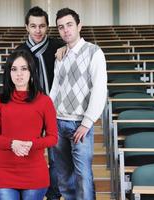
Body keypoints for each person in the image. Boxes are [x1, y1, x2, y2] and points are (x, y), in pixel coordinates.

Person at [49, 8, 107, 200]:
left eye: (69, 25)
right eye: (61, 27)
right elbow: (55, 89)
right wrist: (48, 118)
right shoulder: (61, 55)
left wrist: (87, 123)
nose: (65, 30)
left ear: (79, 25)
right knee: (63, 177)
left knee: (83, 176)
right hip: (58, 122)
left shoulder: (94, 52)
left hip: (79, 124)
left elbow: (99, 90)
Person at [0, 49, 58, 200]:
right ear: (8, 72)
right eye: (14, 69)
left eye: (24, 68)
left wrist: (31, 144)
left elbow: (53, 138)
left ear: (32, 72)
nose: (18, 74)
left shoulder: (44, 101)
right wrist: (12, 143)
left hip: (34, 173)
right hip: (5, 172)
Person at [15, 6, 64, 200]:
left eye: (42, 26)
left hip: (54, 109)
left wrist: (65, 49)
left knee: (56, 159)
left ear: (48, 27)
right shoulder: (19, 52)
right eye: (33, 26)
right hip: (29, 111)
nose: (38, 30)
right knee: (28, 158)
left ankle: (54, 195)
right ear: (26, 26)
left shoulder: (58, 46)